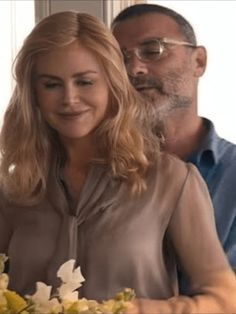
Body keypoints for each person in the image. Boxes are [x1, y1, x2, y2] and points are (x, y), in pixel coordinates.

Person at [0, 10, 236, 314]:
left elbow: (226, 299)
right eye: (51, 85)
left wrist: (133, 311)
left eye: (84, 82)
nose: (69, 98)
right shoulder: (16, 189)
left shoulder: (172, 180)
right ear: (33, 94)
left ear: (113, 85)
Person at [112, 3, 236, 291]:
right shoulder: (95, 171)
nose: (134, 68)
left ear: (199, 61)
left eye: (153, 49)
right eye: (120, 58)